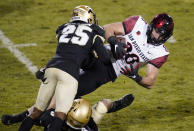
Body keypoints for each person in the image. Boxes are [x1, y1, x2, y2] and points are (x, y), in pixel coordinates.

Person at [1, 13, 174, 129]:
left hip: (108, 71)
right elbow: (106, 29)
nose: (153, 33)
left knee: (58, 100)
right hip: (98, 54)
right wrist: (113, 41)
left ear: (165, 36)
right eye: (153, 28)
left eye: (159, 33)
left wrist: (135, 76)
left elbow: (150, 81)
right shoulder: (137, 23)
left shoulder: (161, 53)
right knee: (65, 68)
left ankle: (105, 107)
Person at [18, 5, 112, 131]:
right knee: (60, 116)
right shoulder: (94, 30)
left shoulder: (63, 28)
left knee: (35, 113)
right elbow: (105, 58)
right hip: (69, 73)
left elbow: (69, 48)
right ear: (88, 17)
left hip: (51, 68)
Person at [1, 94, 135, 131]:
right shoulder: (87, 125)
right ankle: (117, 104)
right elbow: (92, 124)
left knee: (45, 106)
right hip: (80, 122)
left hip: (53, 121)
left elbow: (34, 116)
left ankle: (14, 119)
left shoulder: (52, 120)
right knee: (104, 104)